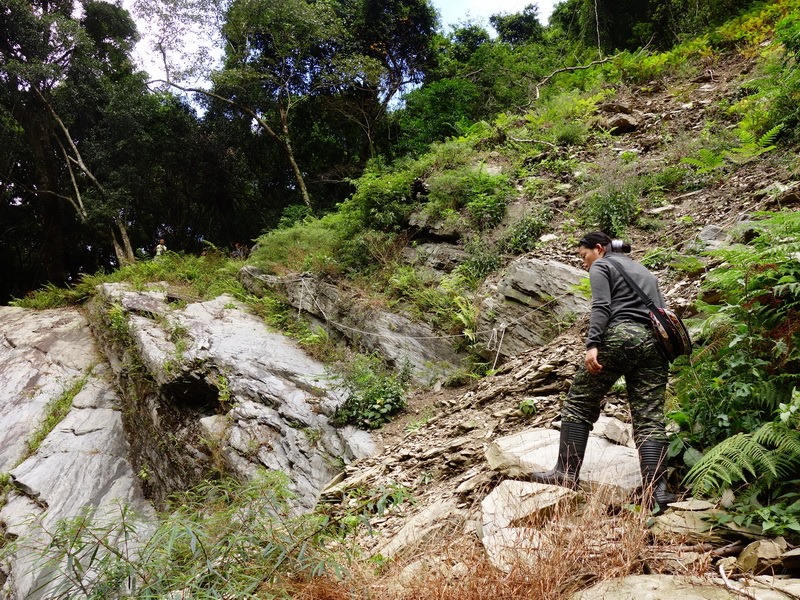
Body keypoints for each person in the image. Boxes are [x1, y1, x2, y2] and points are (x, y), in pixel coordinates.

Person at [530, 231, 677, 515]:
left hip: (621, 336)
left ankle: (566, 473)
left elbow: (602, 306)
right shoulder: (643, 270)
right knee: (649, 417)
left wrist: (593, 343)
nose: (585, 264)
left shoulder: (602, 265)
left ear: (599, 249)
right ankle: (656, 493)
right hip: (656, 345)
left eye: (584, 257)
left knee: (580, 402)